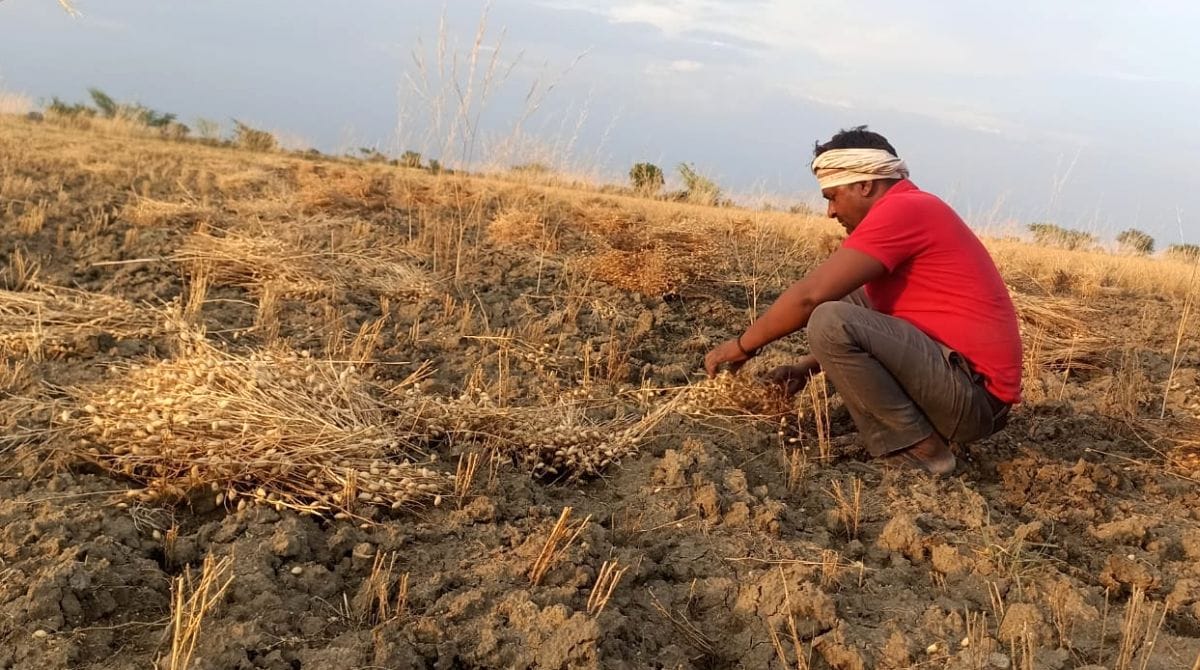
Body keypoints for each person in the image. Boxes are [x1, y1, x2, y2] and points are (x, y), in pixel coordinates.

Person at [702, 126, 1022, 474]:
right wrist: (804, 370)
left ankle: (920, 451)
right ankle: (920, 438)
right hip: (969, 393)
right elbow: (877, 319)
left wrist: (742, 345)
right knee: (854, 297)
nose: (830, 212)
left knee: (829, 319)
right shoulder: (914, 206)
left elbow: (810, 297)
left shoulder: (904, 209)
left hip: (972, 401)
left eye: (832, 196)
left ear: (864, 185)